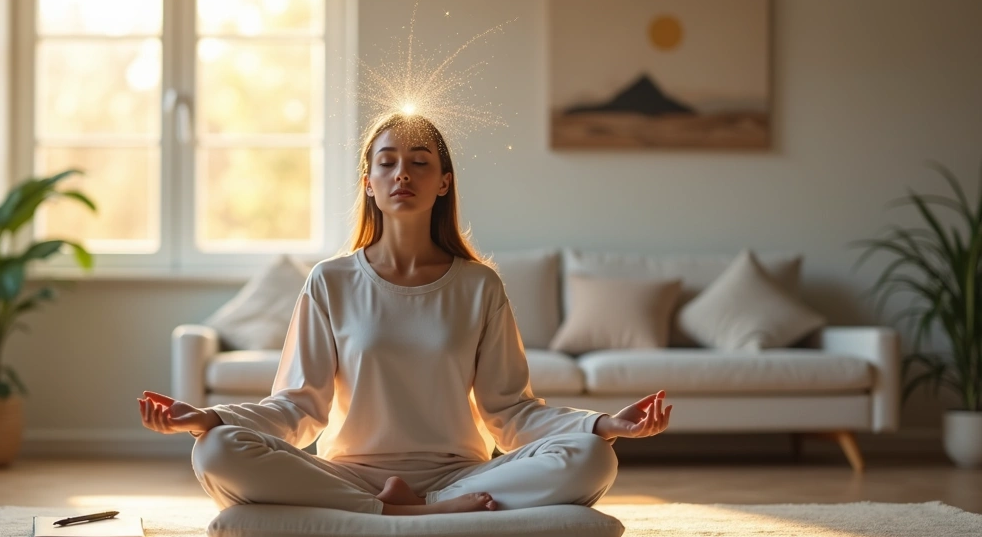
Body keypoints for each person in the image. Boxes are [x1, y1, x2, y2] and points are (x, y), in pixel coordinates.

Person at [138, 113, 672, 516]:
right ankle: (410, 516)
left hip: (461, 480)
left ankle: (410, 512)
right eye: (387, 162)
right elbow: (299, 405)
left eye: (420, 162)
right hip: (349, 479)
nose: (403, 174)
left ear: (443, 181)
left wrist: (602, 424)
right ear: (368, 181)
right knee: (215, 451)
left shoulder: (479, 285)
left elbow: (510, 412)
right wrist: (214, 420)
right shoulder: (331, 281)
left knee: (594, 458)